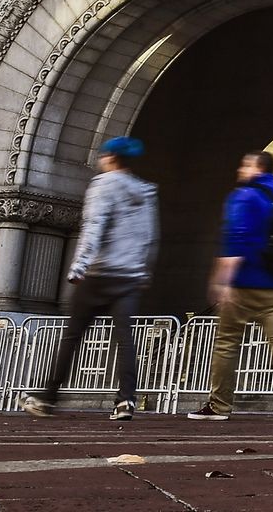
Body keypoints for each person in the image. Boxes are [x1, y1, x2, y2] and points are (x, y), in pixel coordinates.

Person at [23, 136, 159, 421]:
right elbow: (149, 237)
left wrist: (78, 268)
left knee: (73, 336)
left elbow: (94, 227)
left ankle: (48, 397)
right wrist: (144, 271)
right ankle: (126, 401)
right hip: (129, 276)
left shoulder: (102, 185)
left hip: (100, 275)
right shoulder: (145, 192)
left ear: (110, 157)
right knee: (125, 339)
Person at [185, 151, 273, 422]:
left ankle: (219, 406)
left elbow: (236, 237)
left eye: (245, 164)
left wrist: (222, 281)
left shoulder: (245, 195)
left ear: (258, 167)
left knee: (227, 341)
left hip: (247, 280)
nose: (240, 168)